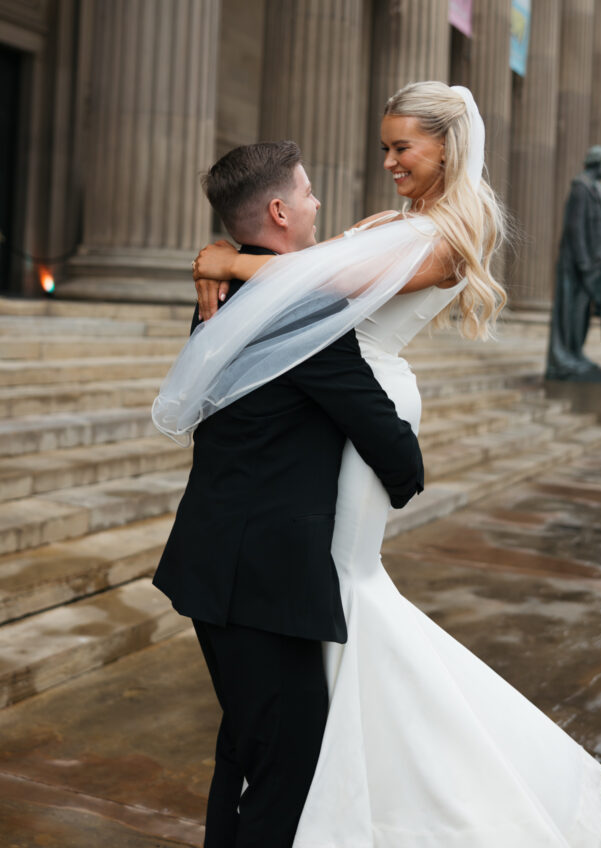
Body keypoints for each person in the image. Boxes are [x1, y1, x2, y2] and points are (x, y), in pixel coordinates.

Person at [155, 82, 601, 846]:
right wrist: (231, 259)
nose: (388, 161)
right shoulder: (395, 225)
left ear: (446, 146)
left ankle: (344, 767)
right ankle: (315, 755)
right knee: (326, 597)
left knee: (342, 585)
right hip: (326, 396)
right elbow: (306, 280)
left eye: (403, 146)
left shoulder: (439, 237)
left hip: (362, 401)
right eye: (386, 146)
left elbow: (312, 282)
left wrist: (228, 257)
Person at [152, 140, 426, 848]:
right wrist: (403, 472)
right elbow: (380, 432)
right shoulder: (300, 310)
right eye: (305, 194)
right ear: (277, 210)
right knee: (285, 769)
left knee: (244, 751)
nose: (316, 204)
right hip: (263, 581)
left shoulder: (228, 288)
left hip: (218, 562)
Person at [546, 145, 601, 379]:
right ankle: (570, 354)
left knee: (596, 307)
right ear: (600, 163)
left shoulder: (598, 189)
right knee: (576, 310)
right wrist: (584, 261)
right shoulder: (581, 188)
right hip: (582, 263)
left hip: (600, 261)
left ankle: (593, 353)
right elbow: (575, 227)